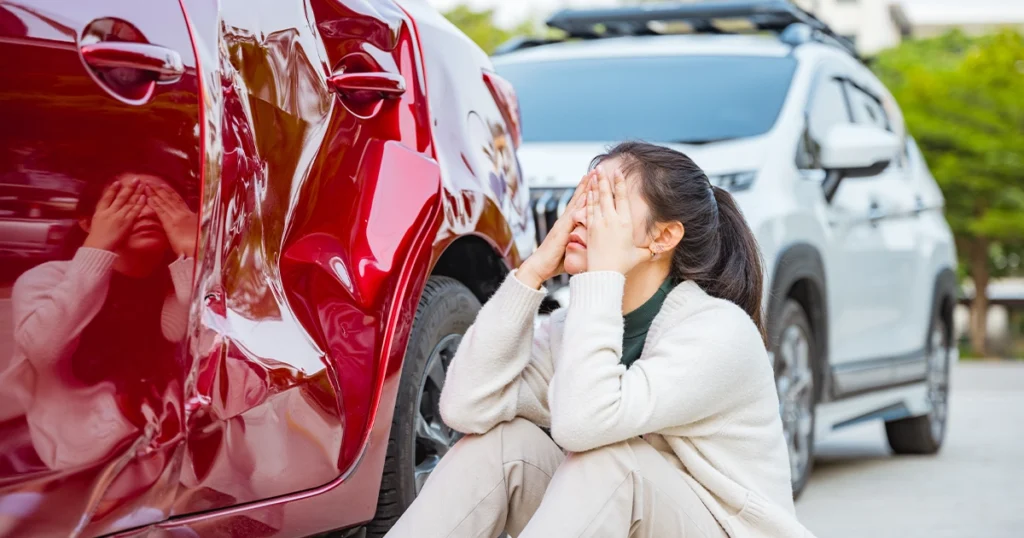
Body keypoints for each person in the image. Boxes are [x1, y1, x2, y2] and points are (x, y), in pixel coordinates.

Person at [386, 142, 815, 537]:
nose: (579, 217)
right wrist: (532, 272)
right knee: (500, 444)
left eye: (606, 202)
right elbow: (467, 407)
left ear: (663, 237)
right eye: (582, 198)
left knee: (609, 460)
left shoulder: (719, 332)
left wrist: (601, 277)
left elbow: (583, 424)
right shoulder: (575, 327)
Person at [5, 173, 197, 470]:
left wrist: (193, 255)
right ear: (86, 221)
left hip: (174, 451)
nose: (147, 212)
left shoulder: (180, 279)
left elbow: (194, 342)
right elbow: (42, 353)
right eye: (128, 201)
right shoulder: (46, 280)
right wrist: (97, 248)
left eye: (161, 201)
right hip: (85, 461)